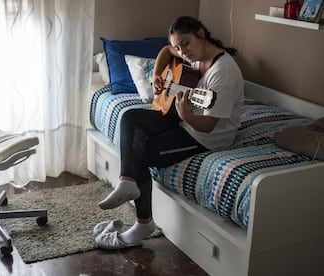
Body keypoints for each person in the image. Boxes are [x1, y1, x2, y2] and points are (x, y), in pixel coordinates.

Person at [94, 16, 244, 249]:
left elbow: (210, 126)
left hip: (207, 136)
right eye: (178, 46)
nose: (181, 51)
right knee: (130, 116)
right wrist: (156, 76)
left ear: (201, 35)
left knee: (140, 153)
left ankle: (143, 223)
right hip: (186, 120)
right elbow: (165, 50)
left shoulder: (222, 72)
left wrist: (187, 116)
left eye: (185, 44)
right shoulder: (190, 54)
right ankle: (127, 181)